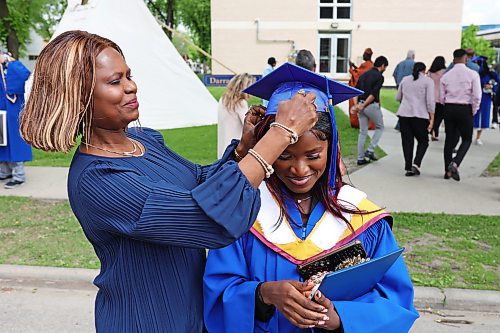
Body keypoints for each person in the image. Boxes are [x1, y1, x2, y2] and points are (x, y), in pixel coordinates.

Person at [19, 30, 318, 332]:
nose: (131, 87)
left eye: (128, 76)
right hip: (147, 321)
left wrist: (245, 149)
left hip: (192, 314)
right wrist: (280, 135)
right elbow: (206, 221)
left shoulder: (144, 140)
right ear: (79, 96)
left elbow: (200, 184)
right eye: (115, 81)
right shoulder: (97, 180)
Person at [204, 62, 419, 333]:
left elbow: (396, 302)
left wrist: (341, 317)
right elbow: (218, 293)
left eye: (313, 155)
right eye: (284, 155)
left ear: (332, 149)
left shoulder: (362, 217)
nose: (299, 169)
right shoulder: (244, 214)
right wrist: (263, 294)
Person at [440, 49, 481, 181]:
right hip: (465, 108)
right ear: (465, 58)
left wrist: (446, 106)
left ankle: (447, 170)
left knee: (449, 140)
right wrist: (473, 110)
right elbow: (477, 95)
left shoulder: (446, 76)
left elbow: (441, 97)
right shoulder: (473, 74)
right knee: (467, 139)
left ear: (454, 59)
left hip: (449, 108)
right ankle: (455, 163)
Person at [396, 62, 435, 176]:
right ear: (424, 70)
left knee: (407, 142)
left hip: (404, 114)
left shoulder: (405, 79)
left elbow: (398, 97)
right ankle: (416, 163)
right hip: (420, 115)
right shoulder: (428, 81)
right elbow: (430, 101)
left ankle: (408, 167)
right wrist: (432, 117)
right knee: (423, 141)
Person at [0, 51, 31, 189]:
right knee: (2, 143)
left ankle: (19, 176)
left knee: (15, 143)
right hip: (1, 112)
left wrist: (8, 61)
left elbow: (25, 75)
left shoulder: (13, 66)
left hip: (13, 113)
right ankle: (4, 172)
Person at [353, 56, 389, 165]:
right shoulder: (379, 77)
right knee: (380, 127)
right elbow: (373, 94)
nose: (385, 69)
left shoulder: (363, 75)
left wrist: (357, 106)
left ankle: (360, 158)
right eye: (385, 67)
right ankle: (370, 150)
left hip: (360, 104)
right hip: (370, 105)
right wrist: (363, 105)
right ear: (382, 66)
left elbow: (355, 91)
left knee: (362, 132)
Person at [217, 73, 256, 157]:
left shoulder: (223, 100)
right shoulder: (241, 103)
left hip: (223, 149)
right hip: (235, 150)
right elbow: (249, 126)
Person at [473, 56, 498, 145]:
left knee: (483, 117)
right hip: (474, 97)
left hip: (485, 97)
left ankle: (478, 137)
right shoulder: (474, 73)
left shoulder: (490, 74)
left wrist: (491, 86)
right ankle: (467, 137)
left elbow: (498, 83)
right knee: (473, 117)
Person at [348, 48, 374, 128]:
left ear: (366, 55)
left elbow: (357, 75)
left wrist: (351, 68)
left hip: (362, 90)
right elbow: (360, 71)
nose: (363, 56)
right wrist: (355, 67)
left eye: (364, 54)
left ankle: (357, 123)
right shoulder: (372, 65)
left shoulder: (365, 65)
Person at [393, 50, 416, 131]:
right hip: (409, 88)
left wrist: (397, 83)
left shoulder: (400, 63)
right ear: (413, 56)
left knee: (403, 105)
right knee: (407, 106)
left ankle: (400, 124)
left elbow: (394, 74)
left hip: (400, 86)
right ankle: (401, 125)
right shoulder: (414, 64)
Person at [428, 56, 447, 141]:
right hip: (440, 97)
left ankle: (432, 131)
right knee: (439, 117)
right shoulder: (444, 72)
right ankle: (434, 132)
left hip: (431, 97)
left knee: (432, 116)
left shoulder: (430, 73)